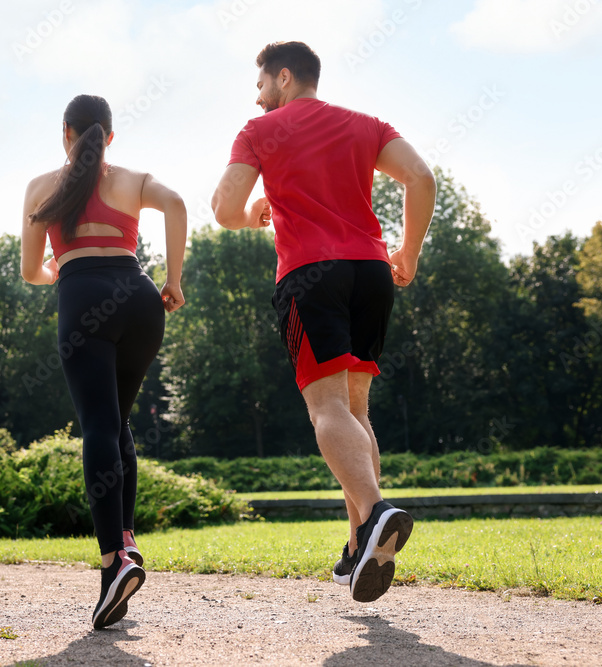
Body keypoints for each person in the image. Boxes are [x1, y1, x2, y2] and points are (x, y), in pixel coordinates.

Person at [211, 42, 436, 603]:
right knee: (356, 410)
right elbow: (421, 177)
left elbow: (221, 208)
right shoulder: (367, 125)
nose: (257, 94)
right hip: (371, 272)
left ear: (284, 77)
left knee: (326, 409)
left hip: (311, 276)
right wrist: (408, 252)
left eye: (261, 83)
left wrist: (248, 214)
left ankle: (377, 511)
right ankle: (359, 544)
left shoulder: (259, 131)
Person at [21, 94, 187, 628]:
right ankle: (127, 543)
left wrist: (60, 269)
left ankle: (112, 562)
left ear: (64, 132)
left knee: (97, 425)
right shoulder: (133, 181)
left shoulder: (41, 188)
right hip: (140, 301)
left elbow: (31, 271)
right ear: (110, 136)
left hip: (82, 300)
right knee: (118, 422)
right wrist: (174, 282)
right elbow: (179, 204)